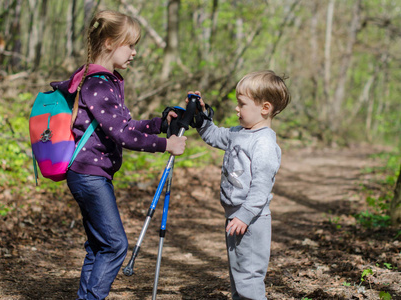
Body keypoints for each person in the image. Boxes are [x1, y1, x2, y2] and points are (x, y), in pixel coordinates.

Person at [50, 10, 186, 300]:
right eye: (131, 44)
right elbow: (123, 135)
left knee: (99, 246)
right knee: (115, 245)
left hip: (89, 173)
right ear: (110, 42)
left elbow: (125, 125)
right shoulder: (98, 84)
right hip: (88, 175)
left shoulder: (103, 80)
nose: (134, 52)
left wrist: (161, 124)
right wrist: (165, 145)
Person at [191, 70, 290, 300]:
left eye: (242, 104)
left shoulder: (264, 144)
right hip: (235, 217)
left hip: (252, 220)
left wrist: (245, 216)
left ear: (264, 108)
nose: (237, 108)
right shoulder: (238, 133)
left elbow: (261, 188)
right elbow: (213, 136)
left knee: (249, 277)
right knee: (238, 276)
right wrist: (202, 115)